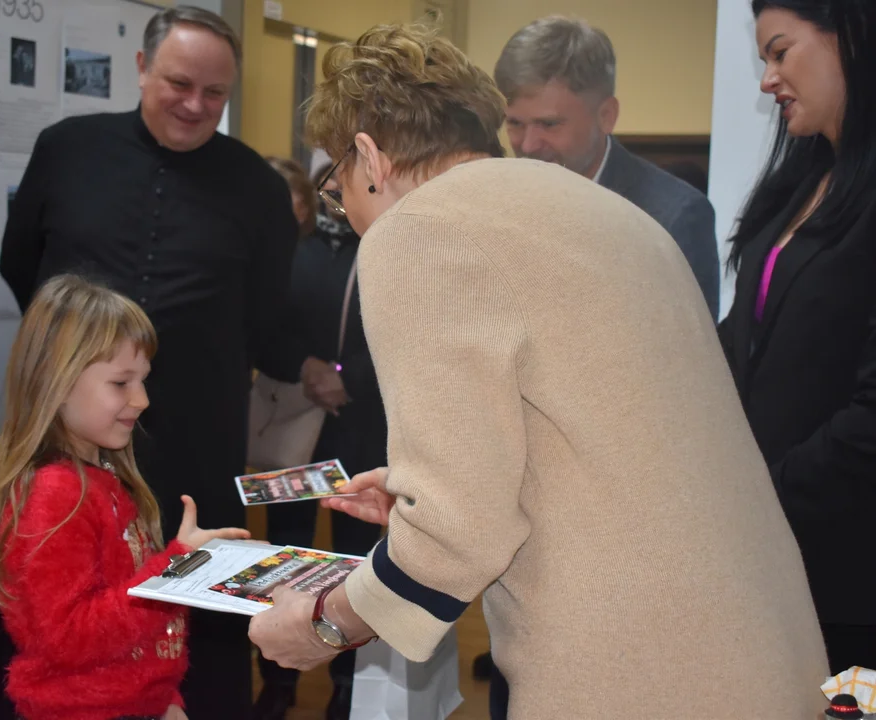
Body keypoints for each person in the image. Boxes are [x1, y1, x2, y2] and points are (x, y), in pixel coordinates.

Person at [246, 22, 829, 720]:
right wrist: (419, 493)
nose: (353, 212)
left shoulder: (422, 229)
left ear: (368, 156)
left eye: (339, 188)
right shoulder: (616, 214)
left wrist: (321, 625)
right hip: (760, 644)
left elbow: (457, 536)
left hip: (631, 670)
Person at [0, 7, 299, 718]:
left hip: (194, 441)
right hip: (68, 440)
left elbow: (269, 323)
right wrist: (83, 372)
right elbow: (22, 267)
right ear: (142, 68)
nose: (195, 105)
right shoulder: (66, 147)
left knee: (190, 604)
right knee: (57, 610)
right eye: (179, 82)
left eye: (215, 94)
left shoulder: (259, 189)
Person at [0, 275, 249, 720]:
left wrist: (165, 699)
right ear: (56, 384)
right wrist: (175, 572)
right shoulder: (54, 495)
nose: (140, 399)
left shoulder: (102, 480)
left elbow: (132, 631)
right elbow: (69, 638)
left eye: (143, 381)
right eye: (121, 383)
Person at [718, 0, 876, 674]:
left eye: (780, 52)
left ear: (852, 38)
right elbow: (742, 343)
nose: (766, 80)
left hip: (851, 574)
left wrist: (761, 496)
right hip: (777, 563)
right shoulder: (804, 179)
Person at [253, 158, 385, 720]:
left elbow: (396, 336)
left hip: (361, 429)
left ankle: (348, 687)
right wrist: (305, 367)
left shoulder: (385, 244)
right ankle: (278, 684)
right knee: (285, 555)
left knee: (357, 562)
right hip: (292, 428)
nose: (333, 195)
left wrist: (343, 379)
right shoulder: (282, 249)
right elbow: (259, 327)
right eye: (326, 186)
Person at [494, 16, 720, 318]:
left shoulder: (674, 218)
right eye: (515, 123)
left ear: (606, 115)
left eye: (549, 124)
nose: (529, 145)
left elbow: (690, 356)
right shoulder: (495, 204)